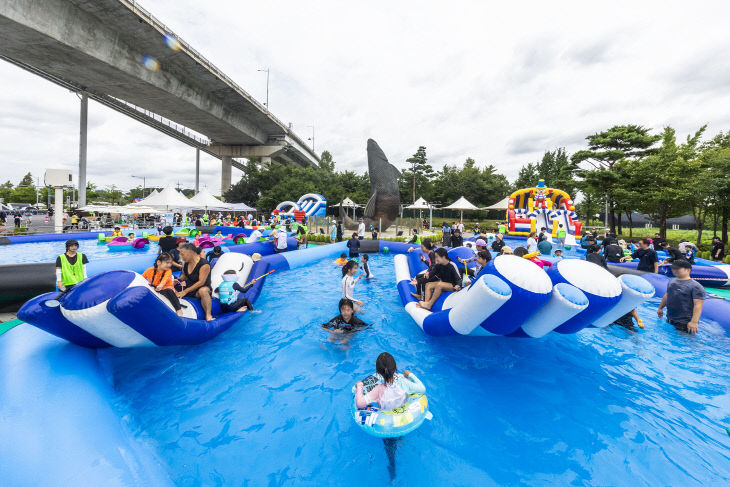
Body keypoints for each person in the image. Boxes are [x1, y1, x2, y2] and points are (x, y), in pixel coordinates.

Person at [355, 352, 426, 410]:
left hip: (386, 422)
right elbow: (422, 389)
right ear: (396, 367)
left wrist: (359, 385)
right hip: (403, 413)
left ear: (378, 372)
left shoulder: (377, 390)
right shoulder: (403, 382)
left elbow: (359, 404)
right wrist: (410, 375)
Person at [657, 260, 705, 334]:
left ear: (688, 270)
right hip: (670, 318)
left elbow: (698, 305)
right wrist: (660, 308)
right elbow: (667, 295)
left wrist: (694, 322)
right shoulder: (672, 281)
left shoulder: (696, 286)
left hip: (685, 322)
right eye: (673, 268)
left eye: (678, 269)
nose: (674, 270)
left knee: (687, 342)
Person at [176, 243, 214, 321]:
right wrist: (176, 281)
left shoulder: (204, 264)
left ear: (191, 252)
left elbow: (201, 282)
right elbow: (184, 276)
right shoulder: (185, 262)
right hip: (189, 287)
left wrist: (185, 291)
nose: (181, 257)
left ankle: (208, 314)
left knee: (203, 291)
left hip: (201, 288)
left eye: (182, 254)